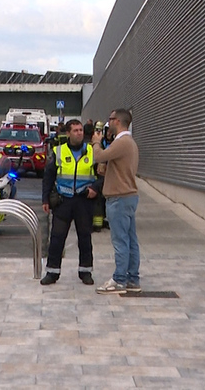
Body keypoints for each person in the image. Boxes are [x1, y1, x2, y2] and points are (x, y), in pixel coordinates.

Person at [40, 119, 98, 286]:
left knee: (85, 238)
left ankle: (85, 272)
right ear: (68, 133)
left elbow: (102, 175)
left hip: (84, 201)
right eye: (75, 130)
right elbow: (48, 176)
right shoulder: (58, 151)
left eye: (81, 130)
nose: (79, 133)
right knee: (57, 238)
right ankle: (52, 272)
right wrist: (45, 199)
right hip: (63, 201)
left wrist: (96, 188)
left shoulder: (92, 151)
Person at [92, 108, 140, 294]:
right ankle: (132, 279)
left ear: (118, 121)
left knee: (120, 241)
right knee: (130, 239)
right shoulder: (129, 143)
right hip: (127, 196)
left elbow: (99, 156)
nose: (107, 123)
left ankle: (120, 279)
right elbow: (118, 166)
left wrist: (96, 143)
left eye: (110, 119)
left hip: (119, 198)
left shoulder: (123, 142)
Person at [91, 123, 114, 232]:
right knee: (98, 199)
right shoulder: (101, 142)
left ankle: (105, 220)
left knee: (107, 199)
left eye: (111, 131)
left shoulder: (115, 143)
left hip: (110, 173)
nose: (109, 133)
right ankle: (97, 224)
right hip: (99, 173)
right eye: (107, 130)